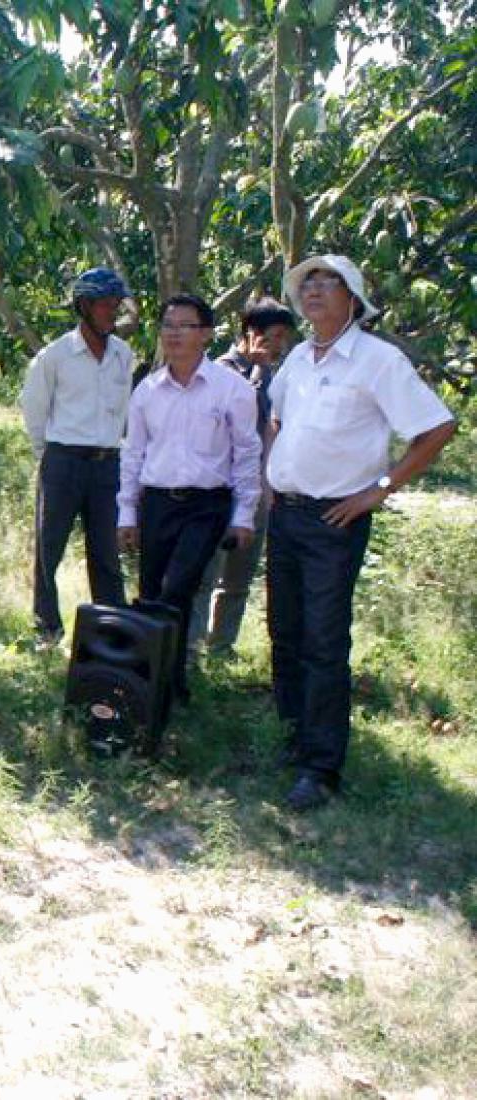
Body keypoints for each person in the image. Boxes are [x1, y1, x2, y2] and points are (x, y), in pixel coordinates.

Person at [265, 255, 456, 810]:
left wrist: (380, 488)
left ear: (354, 297)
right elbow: (275, 417)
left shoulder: (378, 360)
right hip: (288, 514)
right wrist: (271, 472)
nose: (315, 292)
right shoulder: (299, 357)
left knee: (324, 642)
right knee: (286, 631)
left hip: (334, 520)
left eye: (329, 283)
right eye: (308, 284)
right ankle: (293, 737)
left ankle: (321, 768)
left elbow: (437, 426)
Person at [115, 293, 261, 702]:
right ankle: (150, 683)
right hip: (158, 502)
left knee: (178, 588)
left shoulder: (231, 389)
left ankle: (170, 682)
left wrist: (244, 514)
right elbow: (133, 453)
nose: (174, 334)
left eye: (185, 325)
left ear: (206, 334)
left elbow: (247, 453)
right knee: (149, 593)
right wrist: (127, 512)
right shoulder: (147, 391)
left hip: (206, 505)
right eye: (167, 325)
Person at [20, 267, 135, 647]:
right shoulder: (55, 356)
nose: (111, 312)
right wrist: (50, 457)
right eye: (104, 304)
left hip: (107, 464)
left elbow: (124, 413)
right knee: (48, 547)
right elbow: (35, 411)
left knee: (106, 551)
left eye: (115, 304)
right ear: (83, 306)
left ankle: (111, 630)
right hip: (63, 461)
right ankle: (47, 629)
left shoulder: (122, 354)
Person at [188, 296, 300, 657]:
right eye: (276, 336)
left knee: (239, 574)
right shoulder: (219, 370)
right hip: (218, 488)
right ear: (252, 334)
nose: (280, 345)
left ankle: (221, 645)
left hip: (255, 488)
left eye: (284, 338)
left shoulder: (276, 376)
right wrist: (254, 377)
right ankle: (189, 648)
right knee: (206, 572)